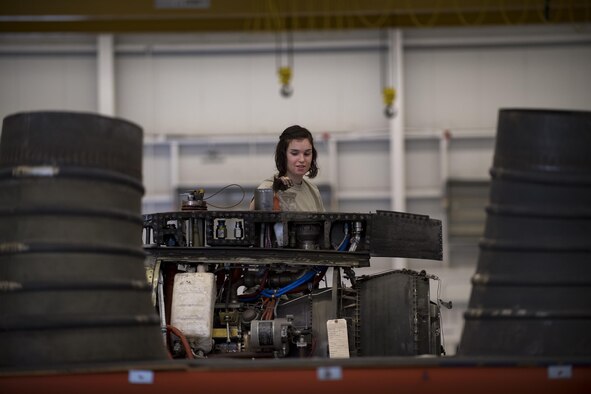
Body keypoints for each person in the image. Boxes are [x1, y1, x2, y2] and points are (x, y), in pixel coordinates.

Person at [251, 125, 325, 212]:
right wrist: (273, 190)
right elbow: (252, 215)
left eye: (307, 153)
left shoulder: (313, 190)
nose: (302, 159)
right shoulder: (268, 187)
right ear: (283, 155)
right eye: (294, 153)